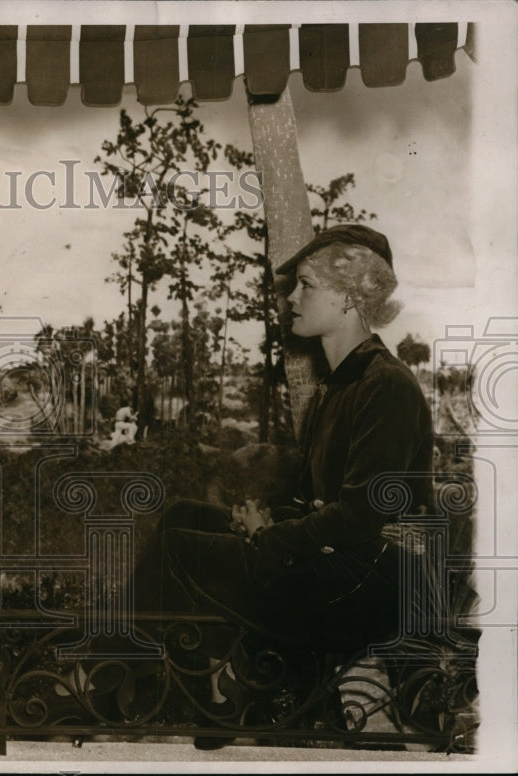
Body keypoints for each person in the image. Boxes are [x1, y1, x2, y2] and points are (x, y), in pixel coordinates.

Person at [147, 225, 434, 745]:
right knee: (183, 516)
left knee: (177, 549)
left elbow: (363, 513)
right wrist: (263, 516)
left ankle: (153, 687)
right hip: (343, 558)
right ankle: (221, 691)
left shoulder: (385, 385)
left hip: (373, 582)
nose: (291, 298)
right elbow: (313, 500)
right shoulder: (339, 383)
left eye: (304, 285)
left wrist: (269, 537)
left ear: (349, 296)